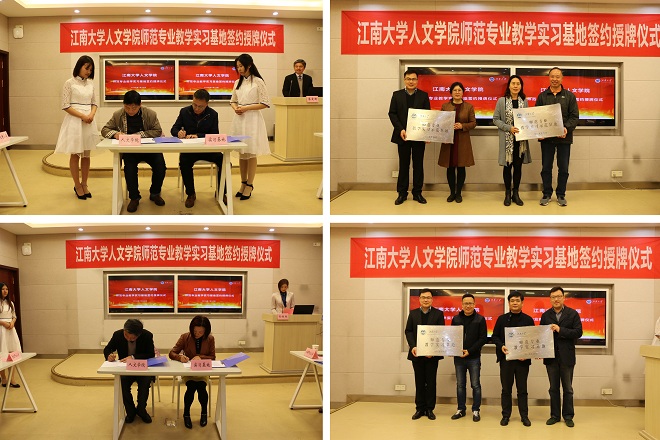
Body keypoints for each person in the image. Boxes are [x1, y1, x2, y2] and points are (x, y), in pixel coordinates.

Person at [101, 90, 165, 213]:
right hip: (130, 150)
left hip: (150, 149)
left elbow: (157, 131)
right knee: (129, 169)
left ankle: (155, 193)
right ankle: (134, 198)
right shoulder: (118, 114)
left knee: (160, 166)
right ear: (123, 105)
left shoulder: (150, 114)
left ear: (140, 105)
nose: (130, 111)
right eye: (127, 107)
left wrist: (138, 135)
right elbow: (105, 130)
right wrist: (116, 134)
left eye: (134, 108)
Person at [54, 55, 98, 200]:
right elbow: (65, 105)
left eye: (91, 69)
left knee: (86, 155)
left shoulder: (91, 84)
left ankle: (85, 184)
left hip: (89, 121)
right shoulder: (69, 83)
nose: (88, 72)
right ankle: (77, 185)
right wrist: (82, 116)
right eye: (86, 68)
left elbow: (94, 103)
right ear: (79, 66)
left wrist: (91, 115)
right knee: (75, 154)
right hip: (75, 121)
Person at [171, 88, 223, 209]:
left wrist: (198, 135)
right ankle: (191, 194)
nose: (196, 108)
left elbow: (214, 135)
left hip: (207, 149)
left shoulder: (213, 114)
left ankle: (221, 192)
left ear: (207, 104)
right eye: (194, 104)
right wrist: (178, 133)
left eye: (200, 106)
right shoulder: (185, 111)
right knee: (184, 162)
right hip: (190, 149)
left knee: (224, 161)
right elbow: (174, 129)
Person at [536, 67, 579, 207]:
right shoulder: (542, 96)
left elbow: (574, 117)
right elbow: (537, 118)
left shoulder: (570, 96)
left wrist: (565, 128)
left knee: (564, 168)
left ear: (562, 78)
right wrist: (539, 133)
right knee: (546, 168)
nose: (555, 79)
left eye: (557, 76)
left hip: (564, 138)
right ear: (549, 78)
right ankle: (546, 194)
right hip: (547, 140)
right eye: (552, 76)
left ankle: (561, 194)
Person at [230, 54, 271, 201]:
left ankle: (250, 184)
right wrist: (236, 108)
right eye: (237, 67)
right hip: (240, 119)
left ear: (249, 65)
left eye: (241, 66)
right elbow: (233, 101)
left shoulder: (258, 81)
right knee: (242, 153)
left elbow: (265, 103)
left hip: (253, 119)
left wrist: (246, 108)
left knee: (251, 153)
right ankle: (243, 182)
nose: (239, 69)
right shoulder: (237, 82)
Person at [540, 286, 583, 428]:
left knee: (568, 389)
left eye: (559, 296)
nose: (556, 299)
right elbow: (541, 335)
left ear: (564, 298)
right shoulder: (546, 315)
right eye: (553, 297)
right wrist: (540, 351)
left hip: (567, 357)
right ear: (550, 299)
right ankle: (555, 416)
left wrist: (560, 330)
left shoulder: (572, 314)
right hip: (550, 357)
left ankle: (568, 416)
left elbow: (578, 332)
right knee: (553, 389)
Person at [491, 291, 535, 427]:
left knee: (522, 390)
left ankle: (524, 416)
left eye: (517, 300)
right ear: (509, 303)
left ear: (522, 303)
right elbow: (494, 336)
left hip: (523, 361)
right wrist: (501, 346)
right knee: (506, 389)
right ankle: (506, 415)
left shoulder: (528, 320)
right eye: (512, 301)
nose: (515, 303)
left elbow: (533, 340)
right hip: (507, 360)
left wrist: (526, 354)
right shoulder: (502, 319)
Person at [388, 69, 431, 205]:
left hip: (419, 136)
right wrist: (400, 129)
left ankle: (417, 193)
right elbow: (392, 113)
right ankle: (402, 193)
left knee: (418, 165)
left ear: (417, 81)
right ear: (404, 80)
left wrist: (426, 134)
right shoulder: (397, 95)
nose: (411, 81)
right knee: (403, 165)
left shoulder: (424, 96)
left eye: (413, 79)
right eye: (408, 79)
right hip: (403, 136)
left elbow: (427, 116)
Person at [103, 319, 155, 424]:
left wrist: (133, 357)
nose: (129, 339)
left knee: (145, 384)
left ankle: (141, 410)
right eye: (126, 335)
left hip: (142, 368)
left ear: (139, 335)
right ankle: (130, 412)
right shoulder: (118, 335)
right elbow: (107, 348)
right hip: (125, 369)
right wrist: (109, 355)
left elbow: (150, 354)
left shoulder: (147, 335)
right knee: (123, 385)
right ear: (124, 330)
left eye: (132, 338)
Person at [168, 316, 216, 429]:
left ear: (206, 331)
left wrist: (200, 357)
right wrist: (180, 357)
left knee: (201, 387)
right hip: (188, 370)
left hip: (202, 370)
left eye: (200, 332)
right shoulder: (185, 337)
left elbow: (212, 357)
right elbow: (172, 353)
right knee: (191, 387)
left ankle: (204, 413)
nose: (197, 334)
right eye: (195, 331)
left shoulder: (210, 339)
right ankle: (186, 414)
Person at [404, 289, 444, 420]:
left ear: (432, 299)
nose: (426, 300)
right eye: (423, 297)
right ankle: (420, 409)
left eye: (428, 297)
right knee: (419, 382)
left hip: (432, 356)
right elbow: (408, 331)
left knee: (431, 382)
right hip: (417, 354)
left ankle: (430, 409)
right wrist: (413, 346)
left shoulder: (438, 314)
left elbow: (441, 333)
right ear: (419, 299)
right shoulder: (413, 313)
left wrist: (433, 351)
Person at [493, 75, 532, 206]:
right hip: (507, 140)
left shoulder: (524, 101)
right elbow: (496, 119)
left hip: (520, 141)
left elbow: (527, 119)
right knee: (507, 167)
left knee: (518, 167)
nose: (515, 86)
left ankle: (516, 193)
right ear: (509, 86)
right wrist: (508, 128)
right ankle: (508, 193)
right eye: (513, 83)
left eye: (518, 84)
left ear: (521, 86)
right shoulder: (501, 101)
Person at [450, 293, 487, 422]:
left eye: (470, 303)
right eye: (466, 303)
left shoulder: (480, 319)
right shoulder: (456, 319)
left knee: (475, 385)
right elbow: (451, 337)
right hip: (459, 358)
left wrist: (470, 351)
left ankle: (476, 410)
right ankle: (461, 409)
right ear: (462, 305)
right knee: (460, 385)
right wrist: (451, 349)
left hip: (474, 358)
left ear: (474, 304)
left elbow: (483, 339)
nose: (468, 306)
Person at [438, 82, 477, 203]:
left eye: (459, 90)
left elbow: (473, 123)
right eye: (455, 90)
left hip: (462, 141)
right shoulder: (445, 106)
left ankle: (459, 193)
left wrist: (462, 126)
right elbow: (440, 122)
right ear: (451, 92)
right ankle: (452, 193)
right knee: (449, 167)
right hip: (448, 140)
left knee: (461, 167)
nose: (457, 92)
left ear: (463, 92)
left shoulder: (469, 106)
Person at [0, 282, 21, 387]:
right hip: (1, 329)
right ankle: (3, 378)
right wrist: (4, 323)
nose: (5, 291)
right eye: (3, 289)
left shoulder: (11, 303)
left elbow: (14, 316)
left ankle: (12, 379)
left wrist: (12, 322)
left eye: (7, 289)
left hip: (10, 330)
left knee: (12, 353)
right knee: (2, 353)